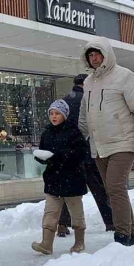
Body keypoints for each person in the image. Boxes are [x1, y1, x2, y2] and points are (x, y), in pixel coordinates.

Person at [78, 38, 134, 247]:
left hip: (123, 142)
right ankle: (133, 235)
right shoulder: (88, 82)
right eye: (90, 55)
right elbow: (86, 114)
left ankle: (121, 236)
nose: (93, 59)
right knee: (114, 191)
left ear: (106, 55)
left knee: (115, 187)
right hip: (99, 146)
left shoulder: (125, 76)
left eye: (97, 54)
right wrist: (80, 138)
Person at [56, 74, 115, 237]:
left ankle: (62, 223)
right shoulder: (89, 100)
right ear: (85, 84)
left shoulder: (63, 102)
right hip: (87, 151)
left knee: (68, 188)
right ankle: (110, 221)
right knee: (99, 187)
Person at [31, 100, 88, 255]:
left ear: (64, 115)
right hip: (53, 179)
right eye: (51, 113)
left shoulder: (73, 132)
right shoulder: (47, 132)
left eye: (57, 113)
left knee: (76, 213)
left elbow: (81, 153)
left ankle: (79, 242)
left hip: (72, 179)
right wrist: (40, 157)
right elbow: (44, 151)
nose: (54, 117)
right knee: (50, 213)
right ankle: (46, 244)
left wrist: (60, 155)